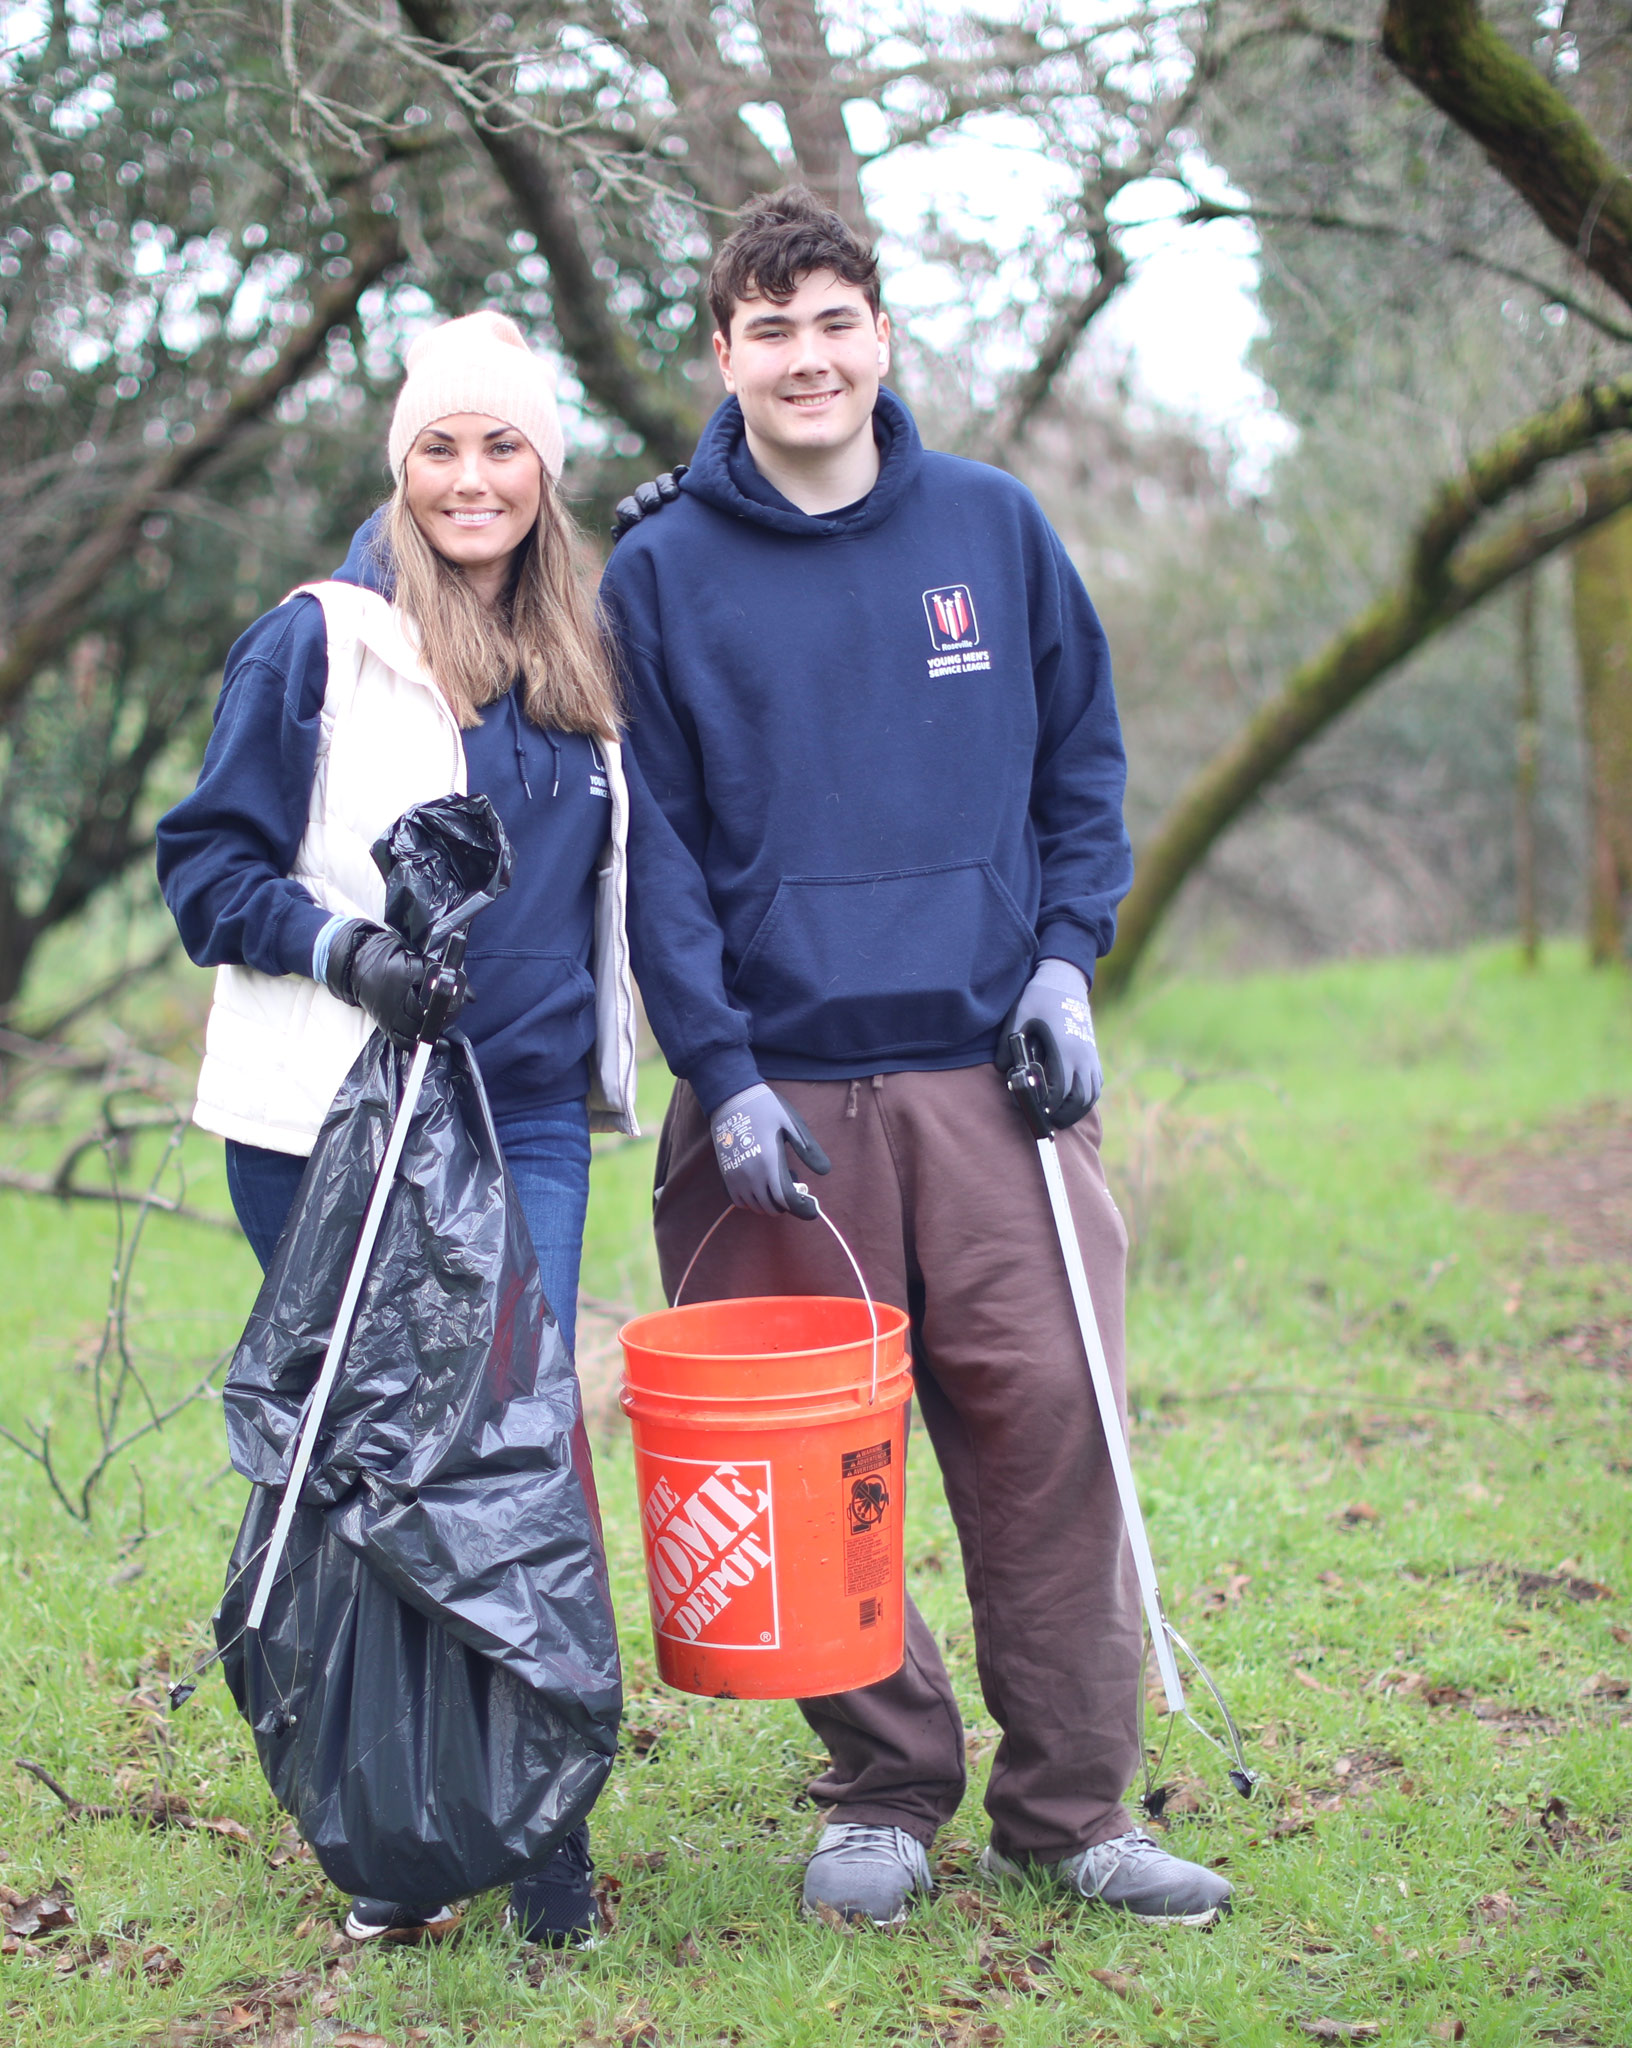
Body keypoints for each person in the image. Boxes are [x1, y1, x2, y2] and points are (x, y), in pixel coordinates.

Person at [603, 189, 1234, 1929]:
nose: (807, 358)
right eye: (769, 330)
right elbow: (645, 853)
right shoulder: (655, 575)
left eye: (834, 322)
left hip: (991, 1086)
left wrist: (1064, 967)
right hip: (776, 1102)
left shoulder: (995, 527)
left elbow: (1081, 770)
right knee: (811, 1472)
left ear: (879, 336)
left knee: (1051, 1434)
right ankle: (882, 1788)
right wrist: (719, 1071)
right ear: (721, 359)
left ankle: (1073, 1813)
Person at [156, 310, 636, 1950]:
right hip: (336, 1128)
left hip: (527, 1125)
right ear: (401, 464)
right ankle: (393, 1839)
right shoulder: (319, 641)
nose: (471, 477)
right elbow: (205, 872)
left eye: (504, 444)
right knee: (380, 1477)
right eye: (440, 445)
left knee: (520, 1460)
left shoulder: (585, 656)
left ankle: (545, 1827)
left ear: (546, 468)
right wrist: (345, 951)